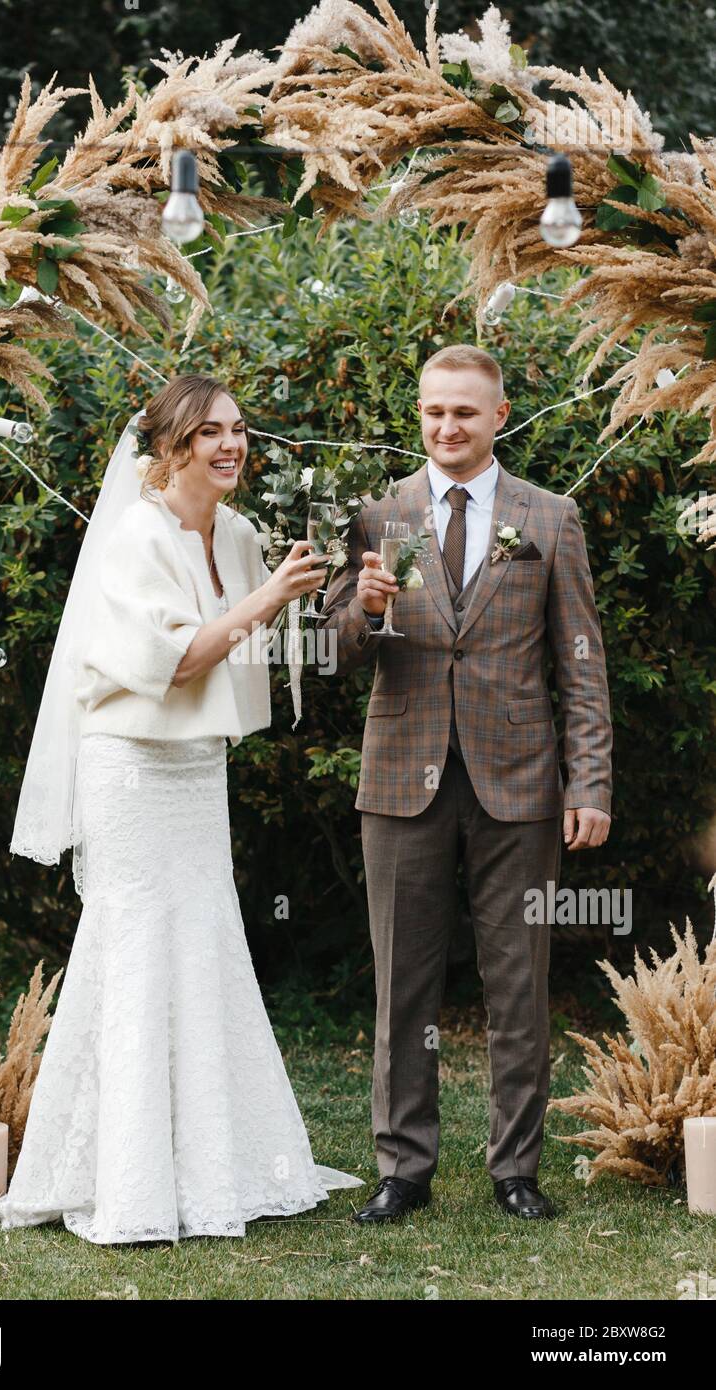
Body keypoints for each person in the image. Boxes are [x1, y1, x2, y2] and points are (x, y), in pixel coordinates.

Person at [0, 372, 363, 1244]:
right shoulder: (133, 540)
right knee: (139, 946)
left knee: (203, 943)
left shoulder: (236, 535)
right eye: (211, 434)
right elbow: (181, 660)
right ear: (171, 449)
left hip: (197, 768)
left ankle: (210, 1163)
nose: (233, 446)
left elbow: (264, 643)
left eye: (238, 431)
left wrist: (349, 598)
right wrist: (268, 597)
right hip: (132, 771)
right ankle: (127, 1179)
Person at [318, 344, 612, 1224]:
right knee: (401, 983)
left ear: (499, 415)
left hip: (519, 785)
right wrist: (366, 610)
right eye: (433, 412)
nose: (447, 427)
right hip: (400, 781)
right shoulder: (378, 516)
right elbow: (332, 654)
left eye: (465, 413)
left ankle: (515, 1168)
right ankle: (403, 1169)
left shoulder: (550, 518)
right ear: (420, 414)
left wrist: (589, 783)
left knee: (519, 983)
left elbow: (582, 665)